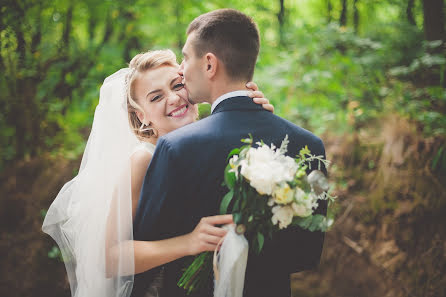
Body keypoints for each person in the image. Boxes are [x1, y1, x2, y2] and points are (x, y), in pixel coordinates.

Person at [41, 49, 273, 297]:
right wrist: (188, 243)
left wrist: (257, 120)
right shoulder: (144, 160)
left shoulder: (213, 142)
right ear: (142, 116)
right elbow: (109, 258)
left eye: (178, 85)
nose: (173, 98)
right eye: (156, 97)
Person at [132, 9, 327, 297]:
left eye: (185, 58)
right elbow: (306, 255)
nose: (182, 71)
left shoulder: (176, 148)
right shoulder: (308, 145)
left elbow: (140, 256)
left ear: (209, 64)